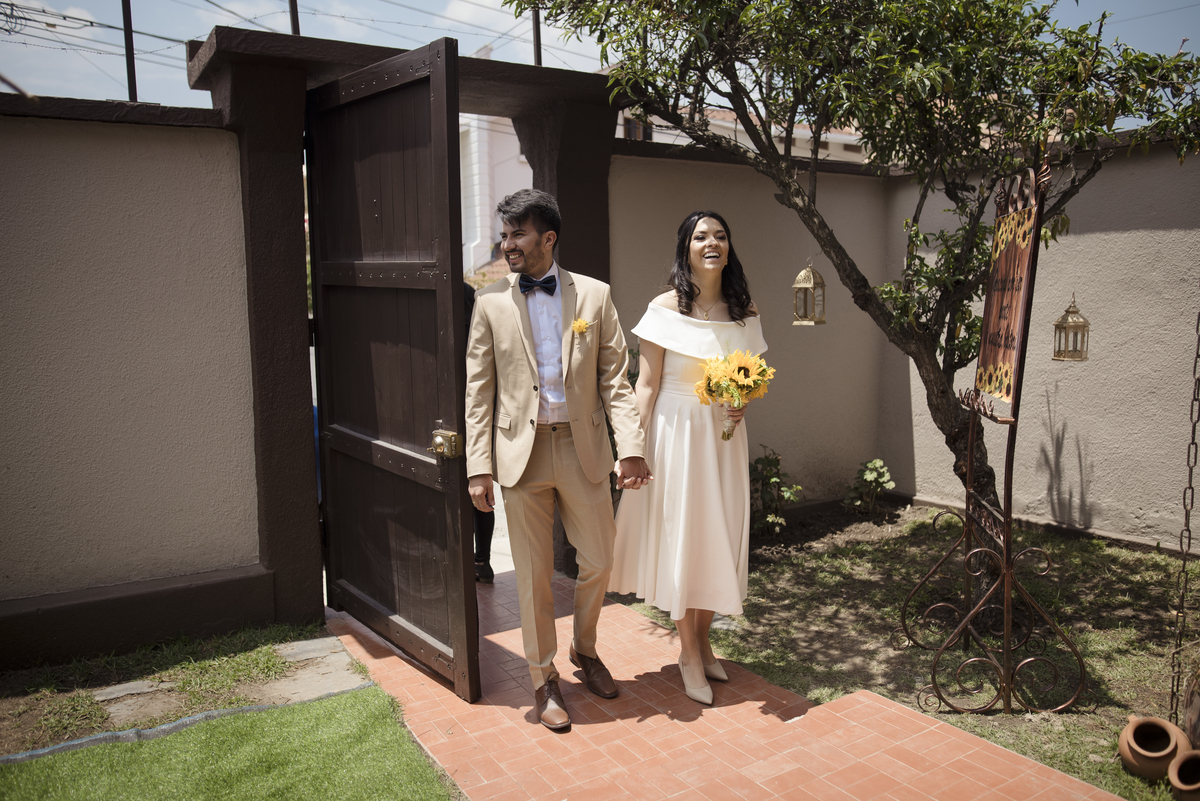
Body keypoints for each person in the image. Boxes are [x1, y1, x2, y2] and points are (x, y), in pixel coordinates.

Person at [464, 189, 651, 730]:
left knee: (598, 558)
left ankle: (584, 649)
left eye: (518, 234)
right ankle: (543, 678)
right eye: (504, 235)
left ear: (548, 238)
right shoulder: (490, 302)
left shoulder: (594, 296)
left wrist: (631, 448)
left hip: (581, 446)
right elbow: (479, 391)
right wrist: (479, 465)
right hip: (519, 455)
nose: (508, 244)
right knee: (532, 577)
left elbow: (615, 381)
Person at [609, 210, 766, 705]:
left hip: (723, 437)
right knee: (685, 534)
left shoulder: (745, 308)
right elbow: (646, 384)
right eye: (701, 236)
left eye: (720, 235)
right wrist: (630, 448)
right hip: (675, 432)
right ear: (686, 248)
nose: (712, 242)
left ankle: (702, 638)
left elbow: (753, 372)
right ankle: (688, 652)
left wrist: (742, 400)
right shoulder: (662, 309)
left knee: (715, 533)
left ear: (729, 247)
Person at [463, 281, 496, 584]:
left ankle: (479, 560)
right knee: (481, 492)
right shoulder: (470, 294)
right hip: (477, 400)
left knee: (479, 489)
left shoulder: (469, 296)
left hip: (470, 401)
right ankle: (481, 561)